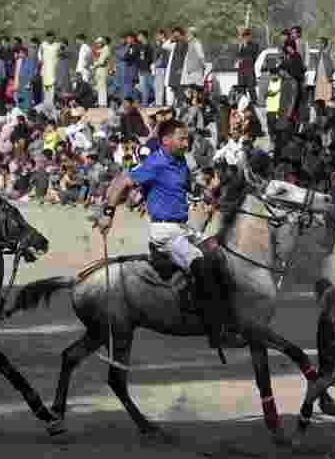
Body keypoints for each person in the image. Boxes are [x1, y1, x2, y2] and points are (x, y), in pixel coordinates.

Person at [95, 119, 232, 349]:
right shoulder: (154, 163)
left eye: (187, 138)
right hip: (165, 232)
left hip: (184, 228)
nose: (186, 142)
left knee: (220, 254)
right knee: (202, 265)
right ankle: (215, 330)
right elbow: (121, 183)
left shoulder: (180, 162)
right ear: (166, 140)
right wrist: (108, 213)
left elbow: (189, 188)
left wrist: (210, 192)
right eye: (182, 138)